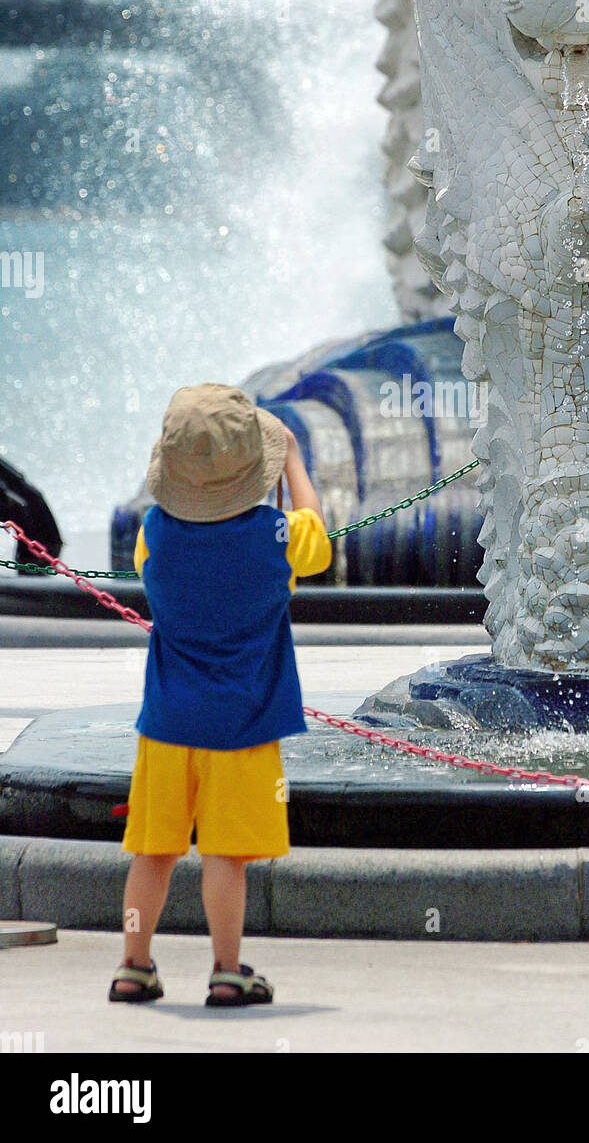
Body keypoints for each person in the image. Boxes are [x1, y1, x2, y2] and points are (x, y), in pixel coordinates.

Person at [108, 382, 332, 1007]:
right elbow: (316, 533)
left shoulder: (154, 532)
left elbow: (158, 559)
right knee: (224, 857)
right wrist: (293, 461)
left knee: (151, 851)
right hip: (245, 725)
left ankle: (133, 963)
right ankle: (227, 969)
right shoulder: (278, 538)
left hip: (167, 724)